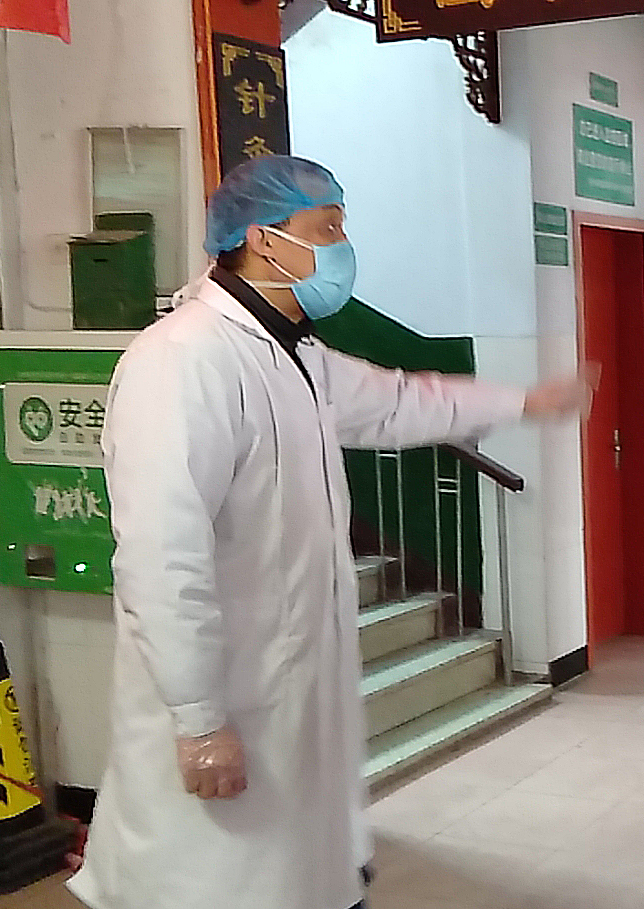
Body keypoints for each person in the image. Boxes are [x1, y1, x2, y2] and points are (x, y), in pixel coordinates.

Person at [67, 156, 594, 909]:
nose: (343, 246)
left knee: (298, 872)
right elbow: (161, 558)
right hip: (225, 697)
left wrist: (523, 402)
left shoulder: (295, 353)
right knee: (209, 883)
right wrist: (198, 718)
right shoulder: (182, 362)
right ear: (262, 238)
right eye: (327, 228)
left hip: (288, 688)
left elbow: (397, 402)